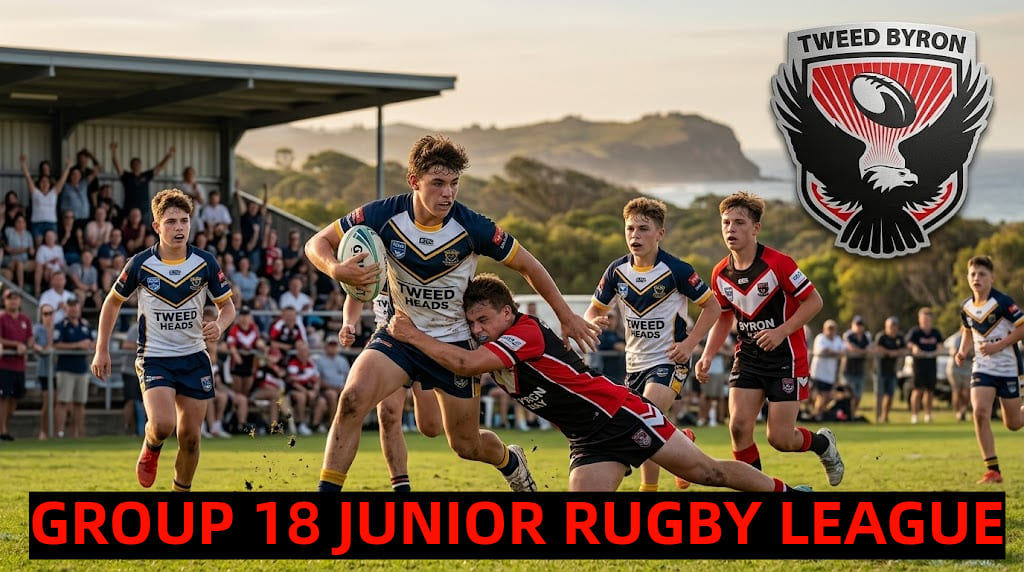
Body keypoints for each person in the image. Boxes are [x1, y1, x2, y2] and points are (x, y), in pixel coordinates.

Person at [304, 134, 599, 493]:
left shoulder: (473, 226)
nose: (448, 193)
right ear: (414, 181)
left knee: (466, 445)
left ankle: (510, 460)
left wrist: (566, 316)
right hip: (400, 335)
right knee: (352, 400)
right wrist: (335, 269)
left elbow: (529, 265)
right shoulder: (382, 214)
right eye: (438, 183)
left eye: (454, 184)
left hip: (454, 345)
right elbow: (316, 243)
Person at [388, 273, 809, 492]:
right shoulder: (491, 343)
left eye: (484, 320)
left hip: (620, 415)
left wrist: (410, 335)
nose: (477, 329)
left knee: (709, 474)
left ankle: (789, 492)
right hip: (587, 438)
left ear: (506, 312)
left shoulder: (525, 332)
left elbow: (462, 364)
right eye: (471, 323)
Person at [695, 192, 843, 487]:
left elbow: (814, 302)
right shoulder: (720, 273)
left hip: (786, 358)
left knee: (781, 438)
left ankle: (823, 445)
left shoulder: (779, 263)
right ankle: (760, 491)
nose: (730, 229)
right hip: (749, 357)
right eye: (726, 223)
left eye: (739, 223)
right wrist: (708, 354)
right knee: (737, 428)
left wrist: (781, 331)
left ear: (755, 228)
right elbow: (724, 316)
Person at [91, 188, 235, 491]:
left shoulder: (205, 262)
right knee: (163, 425)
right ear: (157, 227)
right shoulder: (140, 264)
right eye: (170, 222)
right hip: (155, 357)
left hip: (195, 357)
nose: (179, 227)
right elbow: (112, 302)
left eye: (184, 220)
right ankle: (151, 445)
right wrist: (101, 349)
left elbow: (228, 306)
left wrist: (220, 325)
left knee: (192, 438)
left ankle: (179, 495)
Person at [584, 197, 721, 492]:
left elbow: (713, 308)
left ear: (660, 233)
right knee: (651, 428)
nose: (635, 235)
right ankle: (680, 445)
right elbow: (594, 310)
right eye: (630, 228)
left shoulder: (677, 270)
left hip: (669, 361)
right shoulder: (616, 271)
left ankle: (649, 483)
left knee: (643, 420)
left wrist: (690, 345)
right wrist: (593, 321)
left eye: (643, 229)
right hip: (633, 364)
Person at [338, 286, 442, 491]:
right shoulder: (376, 257)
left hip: (425, 342)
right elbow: (356, 292)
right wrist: (348, 324)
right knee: (388, 414)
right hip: (389, 342)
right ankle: (401, 488)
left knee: (431, 428)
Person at [954, 255, 1024, 484]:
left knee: (1013, 424)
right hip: (982, 368)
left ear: (991, 278)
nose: (977, 278)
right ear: (967, 277)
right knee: (980, 412)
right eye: (973, 274)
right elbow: (967, 330)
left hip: (1008, 368)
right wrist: (963, 352)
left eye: (982, 274)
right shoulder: (965, 306)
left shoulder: (1003, 302)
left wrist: (999, 346)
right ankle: (993, 471)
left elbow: (1022, 327)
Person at [53, 298, 95, 438]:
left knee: (80, 403)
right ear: (67, 309)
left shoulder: (85, 325)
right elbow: (56, 344)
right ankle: (59, 433)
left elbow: (93, 342)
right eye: (71, 307)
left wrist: (91, 345)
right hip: (65, 368)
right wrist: (77, 345)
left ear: (79, 308)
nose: (74, 310)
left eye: (76, 307)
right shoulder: (61, 325)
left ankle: (79, 433)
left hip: (81, 368)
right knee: (63, 402)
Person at [110, 142, 175, 226]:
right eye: (134, 164)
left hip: (144, 208)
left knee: (145, 228)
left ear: (140, 165)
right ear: (131, 166)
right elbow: (117, 166)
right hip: (129, 207)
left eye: (138, 164)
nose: (136, 166)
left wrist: (169, 156)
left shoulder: (146, 176)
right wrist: (113, 152)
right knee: (127, 228)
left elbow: (159, 167)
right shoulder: (127, 176)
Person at [0, 289, 33, 441]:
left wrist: (28, 344)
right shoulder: (2, 318)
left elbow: (30, 338)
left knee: (15, 399)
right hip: (4, 365)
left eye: (16, 298)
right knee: (4, 398)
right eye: (10, 299)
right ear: (4, 301)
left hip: (19, 366)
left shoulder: (25, 319)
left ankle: (4, 426)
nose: (13, 301)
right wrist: (16, 345)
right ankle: (3, 431)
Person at [20, 155, 72, 240]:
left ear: (50, 184)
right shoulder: (35, 193)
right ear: (39, 184)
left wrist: (68, 167)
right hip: (37, 223)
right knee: (38, 246)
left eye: (47, 182)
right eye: (42, 182)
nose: (44, 184)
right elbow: (28, 178)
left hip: (51, 223)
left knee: (52, 246)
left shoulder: (53, 193)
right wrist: (23, 165)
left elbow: (62, 180)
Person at [906, 307, 942, 424]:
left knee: (930, 391)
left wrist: (937, 350)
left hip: (931, 365)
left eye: (928, 319)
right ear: (919, 319)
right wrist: (914, 347)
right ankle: (915, 415)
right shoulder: (915, 332)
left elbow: (941, 345)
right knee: (917, 390)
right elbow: (909, 343)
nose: (925, 321)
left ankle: (928, 415)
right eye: (923, 319)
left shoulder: (935, 332)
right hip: (919, 365)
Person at [874, 316, 908, 424]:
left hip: (892, 371)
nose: (892, 329)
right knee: (879, 395)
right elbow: (878, 348)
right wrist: (890, 352)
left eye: (894, 326)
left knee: (890, 395)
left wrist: (894, 353)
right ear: (886, 327)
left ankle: (885, 416)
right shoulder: (881, 337)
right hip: (879, 371)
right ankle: (877, 417)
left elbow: (904, 349)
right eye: (890, 326)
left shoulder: (900, 338)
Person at [809, 320, 845, 420]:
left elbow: (842, 350)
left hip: (830, 375)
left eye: (833, 329)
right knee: (820, 396)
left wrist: (832, 352)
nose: (831, 331)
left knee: (828, 397)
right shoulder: (820, 338)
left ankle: (819, 414)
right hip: (818, 374)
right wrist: (834, 352)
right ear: (824, 329)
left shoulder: (837, 339)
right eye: (829, 329)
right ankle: (816, 415)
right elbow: (823, 350)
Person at [33, 303, 56, 439]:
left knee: (57, 402)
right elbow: (32, 343)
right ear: (41, 316)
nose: (48, 316)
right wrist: (40, 349)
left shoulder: (58, 328)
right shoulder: (38, 329)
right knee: (47, 402)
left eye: (50, 313)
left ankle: (55, 431)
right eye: (45, 314)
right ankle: (43, 431)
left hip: (57, 369)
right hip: (44, 370)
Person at [843, 315, 872, 415]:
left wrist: (860, 351)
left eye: (861, 325)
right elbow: (851, 347)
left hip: (860, 370)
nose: (859, 327)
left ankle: (853, 414)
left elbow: (869, 349)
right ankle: (847, 414)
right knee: (849, 395)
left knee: (858, 395)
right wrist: (862, 351)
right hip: (849, 370)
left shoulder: (866, 337)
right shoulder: (848, 335)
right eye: (857, 324)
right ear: (852, 325)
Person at [945, 330, 973, 422]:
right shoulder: (957, 338)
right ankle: (958, 412)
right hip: (955, 368)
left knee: (966, 391)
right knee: (957, 391)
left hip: (967, 368)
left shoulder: (975, 337)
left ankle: (963, 410)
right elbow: (955, 352)